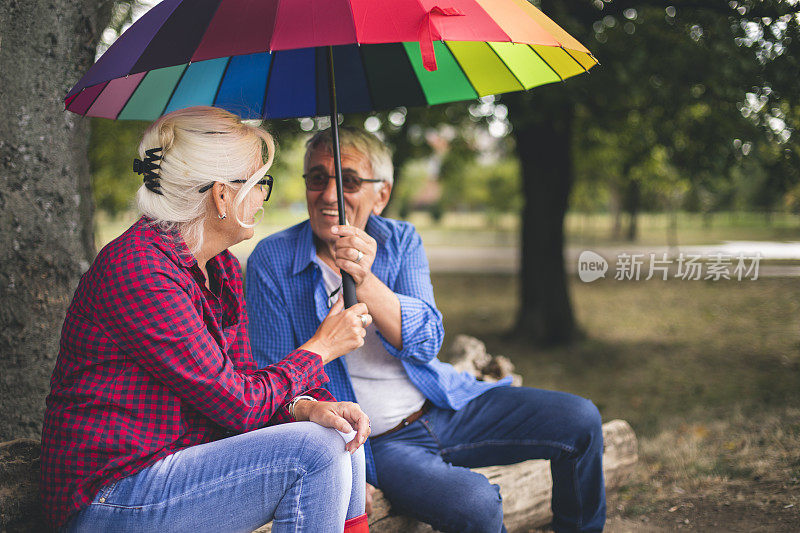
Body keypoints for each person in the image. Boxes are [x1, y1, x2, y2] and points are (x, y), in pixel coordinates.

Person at [246, 126, 606, 533]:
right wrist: (340, 465)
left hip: (443, 404)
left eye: (349, 181)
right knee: (477, 504)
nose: (329, 195)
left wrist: (365, 279)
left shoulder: (400, 240)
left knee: (580, 419)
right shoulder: (272, 261)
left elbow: (428, 342)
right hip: (380, 443)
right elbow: (275, 383)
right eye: (317, 178)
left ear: (381, 194)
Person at [40, 107, 373, 533]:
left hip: (174, 467)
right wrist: (320, 348)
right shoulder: (139, 269)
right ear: (221, 195)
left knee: (341, 432)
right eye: (259, 184)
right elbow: (238, 405)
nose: (261, 198)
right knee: (315, 451)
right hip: (110, 497)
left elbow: (243, 380)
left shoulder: (221, 268)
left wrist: (305, 405)